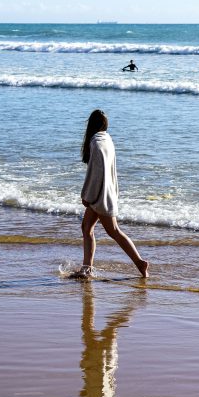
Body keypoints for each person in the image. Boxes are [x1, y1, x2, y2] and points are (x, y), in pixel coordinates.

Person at [76, 109, 149, 279]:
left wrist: (86, 196)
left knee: (114, 231)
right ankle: (86, 269)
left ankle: (139, 262)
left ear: (91, 125)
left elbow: (94, 174)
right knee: (87, 228)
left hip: (100, 196)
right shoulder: (107, 139)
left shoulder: (95, 142)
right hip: (106, 193)